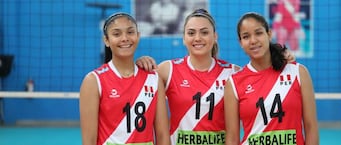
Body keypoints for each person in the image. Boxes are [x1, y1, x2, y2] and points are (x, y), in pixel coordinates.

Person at [135, 8, 296, 145]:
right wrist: (141, 63)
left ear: (215, 37)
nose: (198, 38)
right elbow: (132, 80)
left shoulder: (233, 73)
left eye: (204, 32)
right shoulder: (168, 70)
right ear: (184, 38)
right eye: (191, 33)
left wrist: (281, 57)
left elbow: (263, 74)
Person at [224, 12, 319, 145]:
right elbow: (232, 138)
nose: (253, 40)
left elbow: (311, 127)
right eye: (246, 36)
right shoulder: (234, 83)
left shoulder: (298, 72)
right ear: (241, 43)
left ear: (269, 34)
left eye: (258, 33)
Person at [79, 12, 170, 145]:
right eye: (116, 34)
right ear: (106, 40)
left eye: (130, 32)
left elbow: (162, 135)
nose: (125, 38)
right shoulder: (93, 81)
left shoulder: (153, 79)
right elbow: (89, 141)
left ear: (138, 36)